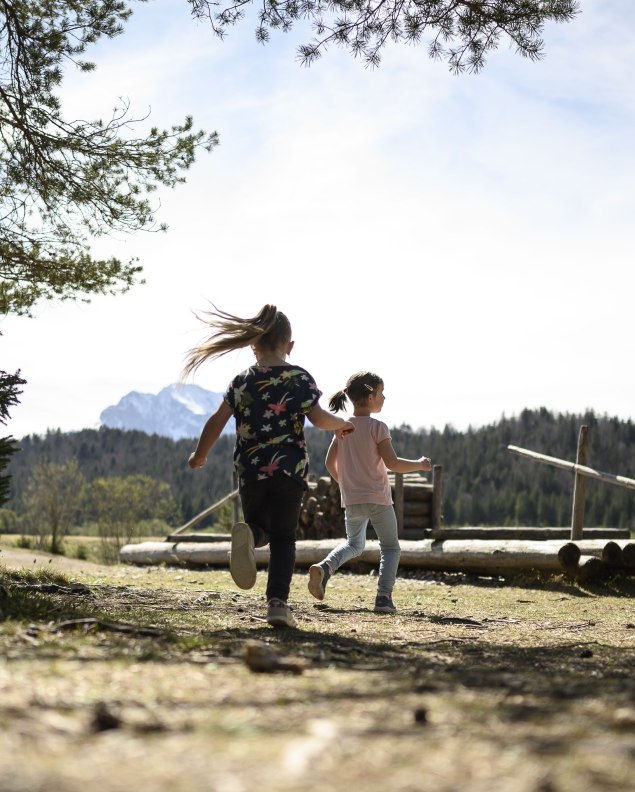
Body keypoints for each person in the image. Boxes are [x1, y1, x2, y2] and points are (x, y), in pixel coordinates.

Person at [184, 304, 354, 629]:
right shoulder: (298, 377)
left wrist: (200, 454)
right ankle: (277, 604)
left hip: (249, 470)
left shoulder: (241, 381)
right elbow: (318, 419)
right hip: (289, 470)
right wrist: (342, 424)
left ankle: (249, 534)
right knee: (284, 538)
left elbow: (217, 420)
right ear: (289, 345)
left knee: (259, 529)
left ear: (253, 344)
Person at [308, 371, 431, 614]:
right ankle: (383, 598)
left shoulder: (343, 428)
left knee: (354, 544)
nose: (384, 398)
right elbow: (393, 463)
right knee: (390, 548)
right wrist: (420, 463)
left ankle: (325, 567)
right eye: (381, 393)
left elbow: (329, 464)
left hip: (352, 500)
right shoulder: (378, 428)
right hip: (378, 499)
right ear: (372, 395)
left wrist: (345, 483)